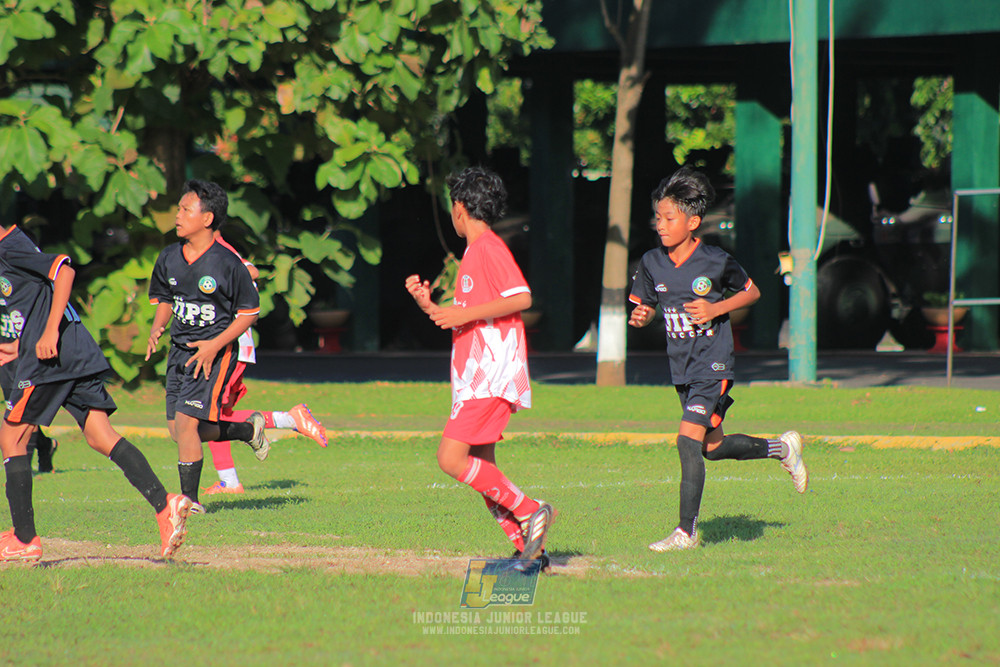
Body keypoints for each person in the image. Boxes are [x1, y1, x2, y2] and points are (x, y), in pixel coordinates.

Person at [628, 167, 808, 552]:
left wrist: (715, 308)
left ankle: (685, 533)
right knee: (712, 447)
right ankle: (783, 448)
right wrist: (642, 315)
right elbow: (644, 306)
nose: (660, 225)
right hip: (682, 368)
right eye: (658, 217)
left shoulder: (714, 260)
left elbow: (752, 291)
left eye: (669, 218)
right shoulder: (650, 262)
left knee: (686, 439)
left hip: (714, 364)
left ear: (692, 222)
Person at [0, 223, 192, 562]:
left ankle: (24, 538)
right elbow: (29, 299)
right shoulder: (14, 246)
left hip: (50, 357)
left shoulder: (9, 246)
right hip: (75, 349)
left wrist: (47, 333)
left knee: (12, 439)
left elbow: (64, 271)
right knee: (100, 436)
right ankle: (166, 506)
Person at [405, 166, 554, 565]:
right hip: (475, 376)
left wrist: (457, 315)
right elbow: (468, 316)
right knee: (483, 468)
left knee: (450, 458)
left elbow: (521, 297)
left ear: (459, 208)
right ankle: (528, 547)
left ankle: (530, 511)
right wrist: (432, 306)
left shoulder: (488, 247)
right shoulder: (474, 251)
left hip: (490, 374)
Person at [145, 179, 267, 510]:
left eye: (186, 209)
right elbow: (166, 299)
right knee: (179, 431)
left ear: (207, 218)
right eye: (179, 209)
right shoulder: (169, 256)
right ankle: (246, 430)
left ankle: (189, 502)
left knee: (187, 425)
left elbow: (250, 312)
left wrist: (214, 345)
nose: (178, 215)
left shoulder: (227, 263)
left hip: (213, 354)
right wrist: (158, 327)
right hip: (179, 352)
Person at [201, 234, 328, 497]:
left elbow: (250, 270)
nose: (179, 217)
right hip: (229, 346)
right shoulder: (210, 250)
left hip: (228, 347)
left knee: (207, 415)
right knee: (214, 414)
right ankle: (229, 481)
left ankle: (289, 419)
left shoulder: (217, 250)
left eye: (186, 209)